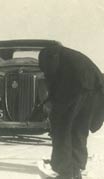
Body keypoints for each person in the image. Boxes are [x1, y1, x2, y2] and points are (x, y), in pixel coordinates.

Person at [38, 45, 104, 179]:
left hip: (75, 88)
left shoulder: (48, 52)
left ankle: (65, 173)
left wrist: (51, 104)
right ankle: (76, 169)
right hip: (94, 91)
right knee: (79, 130)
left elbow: (51, 73)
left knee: (61, 129)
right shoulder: (71, 55)